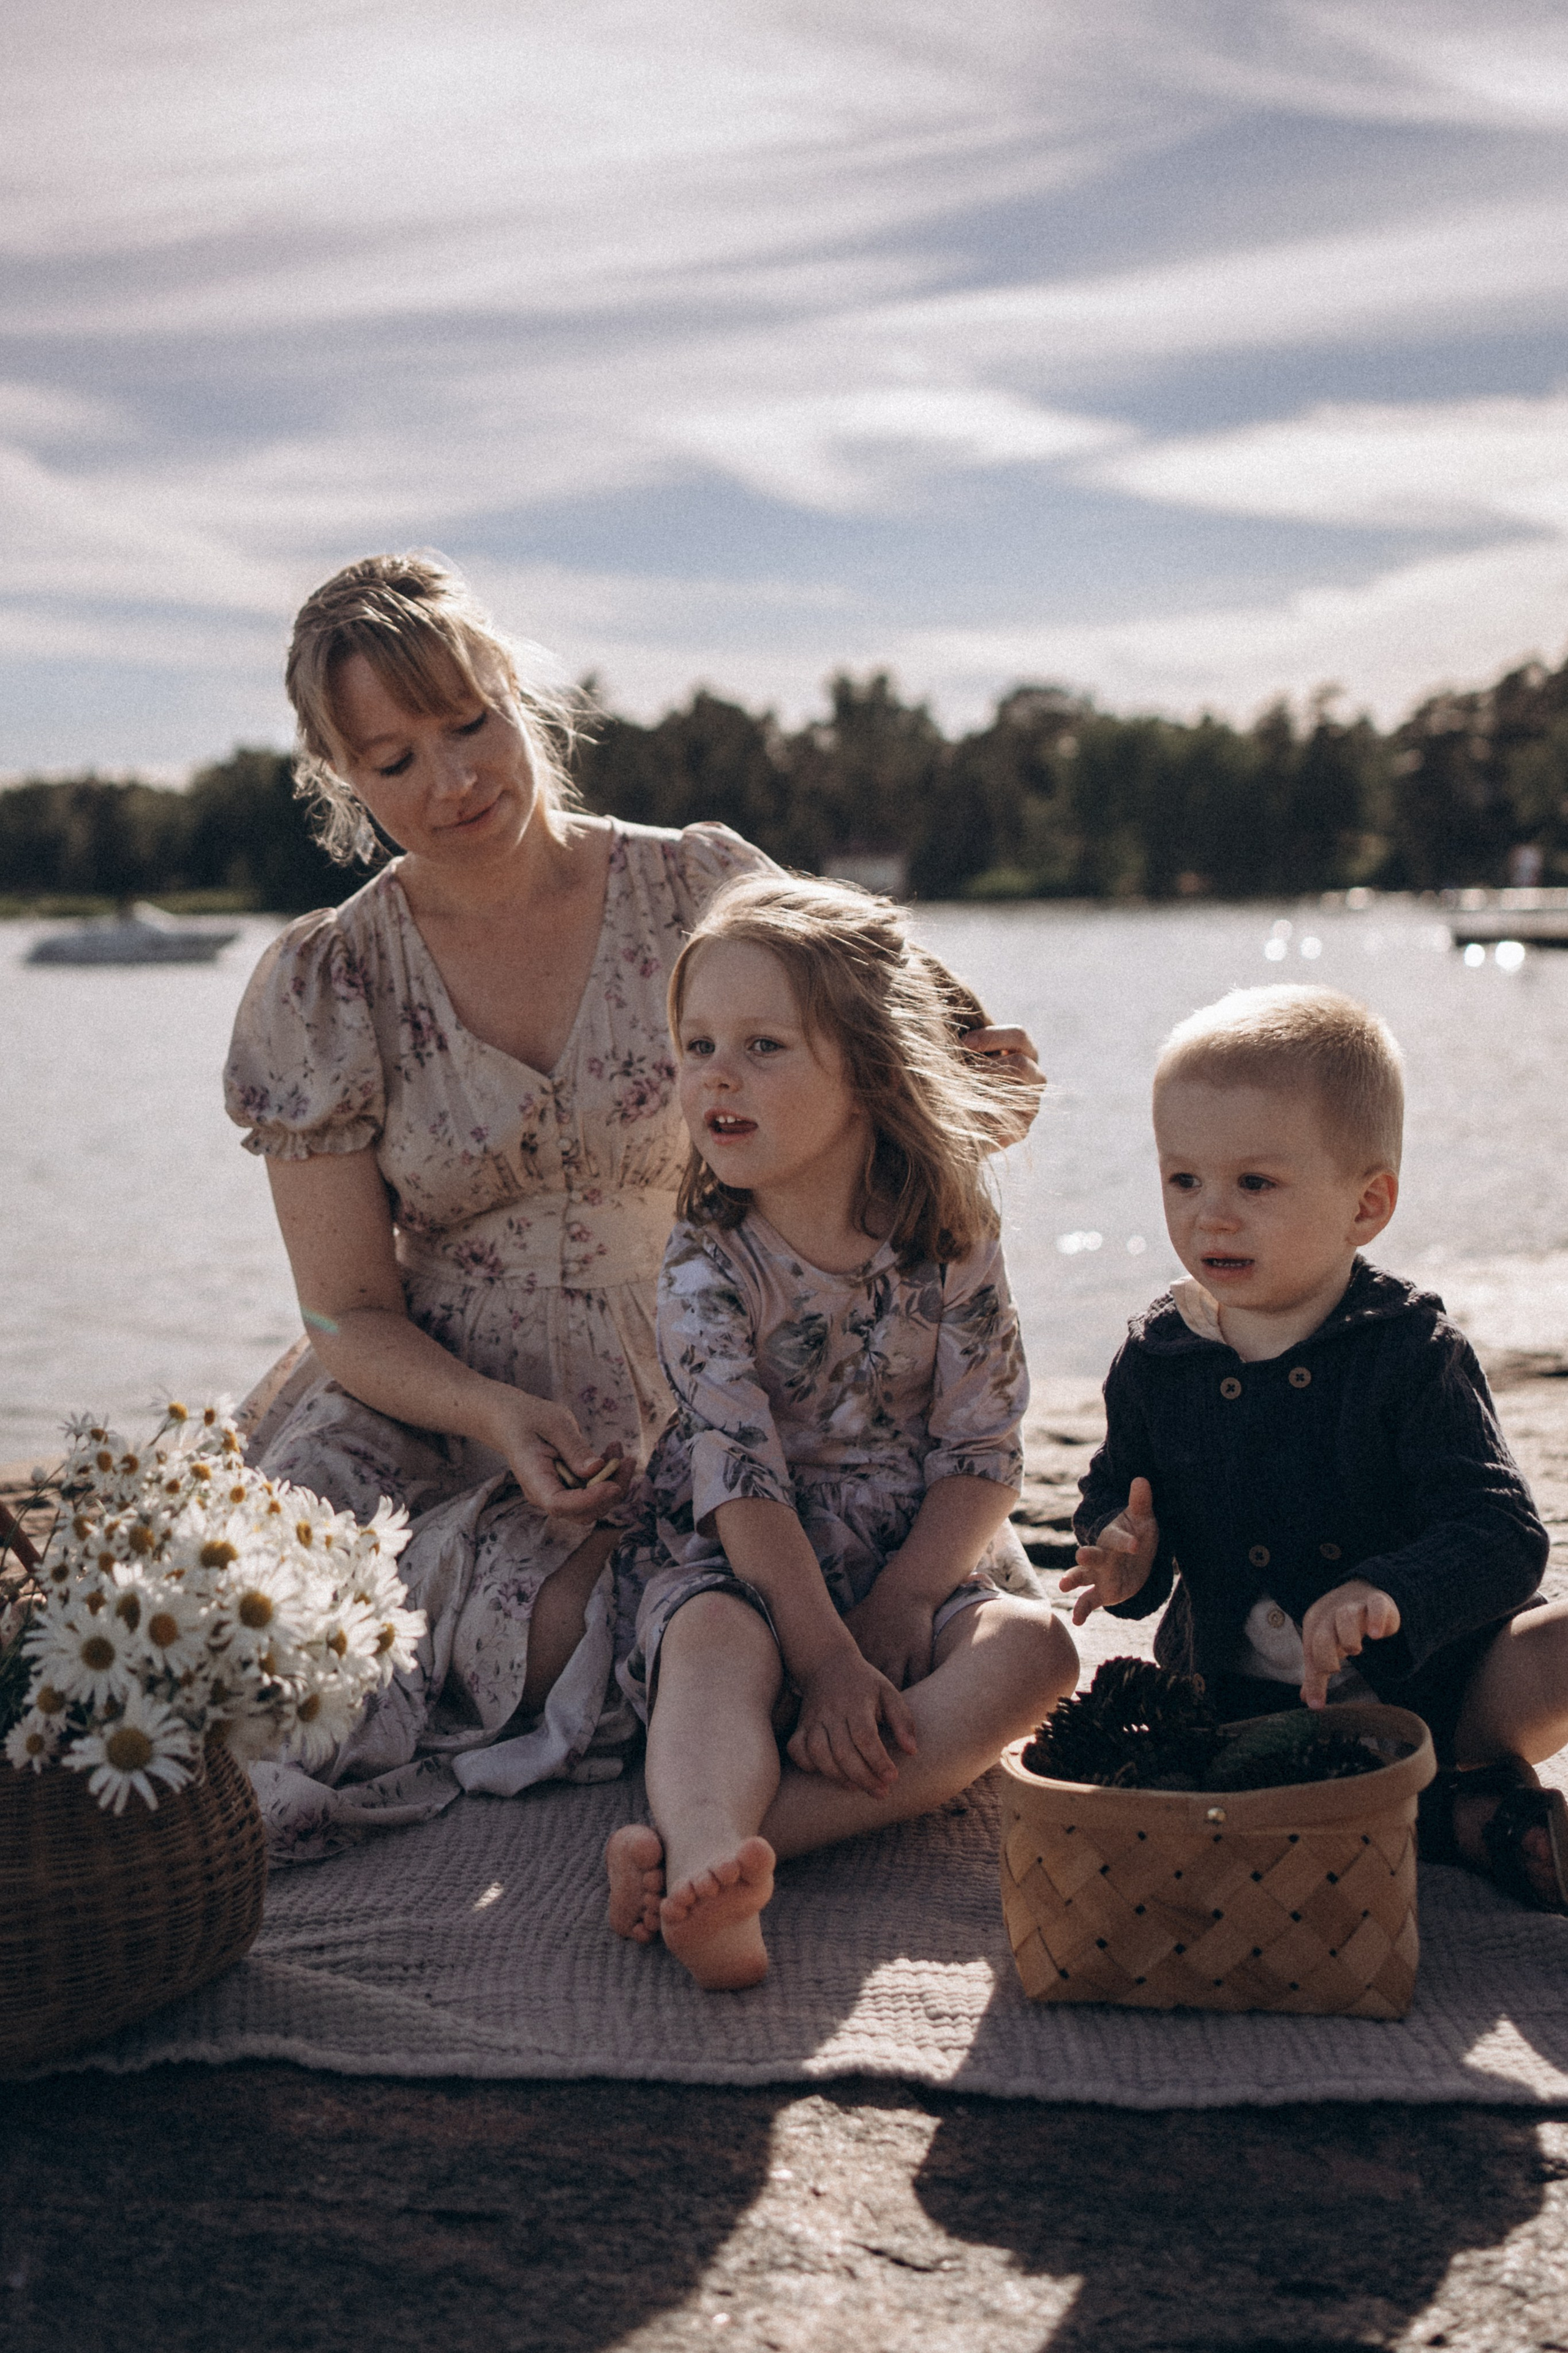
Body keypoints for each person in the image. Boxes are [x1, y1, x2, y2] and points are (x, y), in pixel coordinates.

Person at [224, 552, 1044, 1860]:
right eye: (389, 761)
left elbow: (923, 1069)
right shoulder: (329, 978)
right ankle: (741, 1780)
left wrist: (972, 1086)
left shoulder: (703, 882)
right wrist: (497, 1412)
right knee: (361, 1641)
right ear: (340, 779)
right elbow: (344, 1312)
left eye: (468, 723)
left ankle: (752, 1811)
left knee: (853, 1597)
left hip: (719, 1355)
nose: (450, 781)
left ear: (519, 692)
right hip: (446, 1414)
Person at [603, 875, 1078, 1989]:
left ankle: (712, 1852)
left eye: (764, 1045)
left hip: (921, 1557)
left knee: (1040, 1650)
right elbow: (741, 1481)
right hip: (746, 1561)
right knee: (714, 1651)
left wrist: (910, 1598)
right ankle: (715, 1851)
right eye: (698, 1043)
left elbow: (982, 1451)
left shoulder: (950, 1233)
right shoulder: (707, 1263)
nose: (715, 1072)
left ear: (870, 1072)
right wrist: (824, 1657)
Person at [1065, 983, 1568, 1913]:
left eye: (1254, 1183)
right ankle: (1468, 1820)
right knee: (1204, 1787)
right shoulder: (1158, 1356)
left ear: (1367, 1204)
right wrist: (1123, 1553)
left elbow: (1504, 1533)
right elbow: (1116, 1500)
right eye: (1184, 1179)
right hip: (1235, 1702)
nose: (1210, 1214)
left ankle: (1451, 1790)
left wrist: (1392, 1591)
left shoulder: (1409, 1348)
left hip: (1444, 1692)